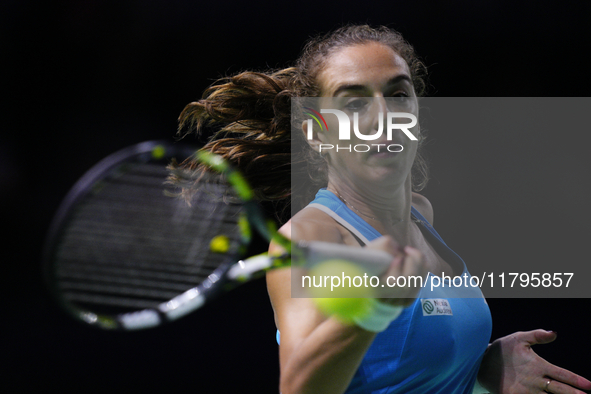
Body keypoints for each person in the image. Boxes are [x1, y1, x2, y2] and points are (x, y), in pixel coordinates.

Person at [172, 25, 591, 394]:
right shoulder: (313, 239)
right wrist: (369, 310)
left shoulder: (421, 215)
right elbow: (300, 388)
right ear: (316, 133)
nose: (383, 116)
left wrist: (484, 373)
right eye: (353, 104)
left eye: (397, 94)